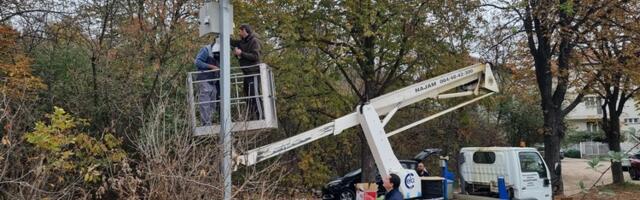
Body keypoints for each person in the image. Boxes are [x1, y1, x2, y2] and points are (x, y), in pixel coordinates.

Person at [231, 24, 262, 120]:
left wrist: (241, 53)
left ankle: (260, 117)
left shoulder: (254, 41)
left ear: (244, 30)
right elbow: (233, 42)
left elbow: (255, 56)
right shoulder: (242, 42)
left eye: (240, 31)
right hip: (246, 73)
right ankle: (252, 117)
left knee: (255, 95)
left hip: (254, 72)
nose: (238, 33)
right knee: (248, 96)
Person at [194, 38, 221, 126]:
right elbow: (197, 62)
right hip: (204, 79)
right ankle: (206, 125)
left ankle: (210, 123)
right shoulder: (206, 50)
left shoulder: (220, 50)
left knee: (213, 103)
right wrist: (211, 67)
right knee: (205, 103)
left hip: (213, 81)